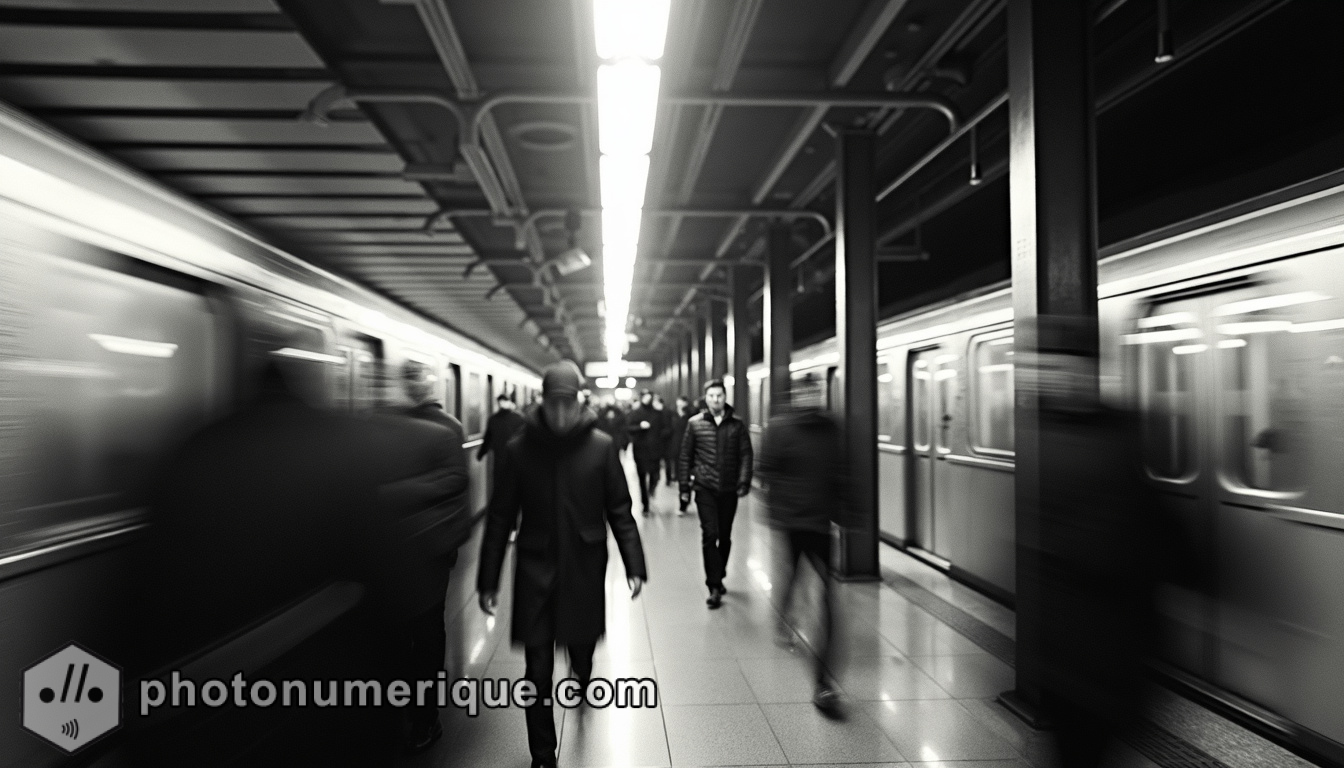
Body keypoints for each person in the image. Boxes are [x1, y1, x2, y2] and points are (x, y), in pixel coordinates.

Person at [476, 361, 647, 768]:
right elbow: (500, 516)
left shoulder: (601, 447)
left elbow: (620, 510)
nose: (559, 412)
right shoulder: (520, 450)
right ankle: (541, 755)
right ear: (542, 402)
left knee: (581, 646)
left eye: (567, 403)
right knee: (537, 669)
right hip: (535, 569)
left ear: (578, 403)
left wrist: (634, 563)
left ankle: (583, 675)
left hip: (584, 567)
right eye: (553, 403)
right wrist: (488, 579)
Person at [389, 359, 471, 753]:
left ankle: (422, 715)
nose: (414, 386)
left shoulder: (443, 428)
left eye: (416, 379)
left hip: (422, 547)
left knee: (420, 630)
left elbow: (455, 484)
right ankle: (420, 713)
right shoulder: (447, 427)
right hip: (427, 546)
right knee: (425, 628)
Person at [757, 374, 847, 718]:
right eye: (804, 391)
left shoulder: (832, 428)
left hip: (822, 524)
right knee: (793, 577)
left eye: (815, 391)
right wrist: (777, 511)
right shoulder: (779, 429)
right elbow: (766, 471)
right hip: (793, 522)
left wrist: (847, 512)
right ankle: (785, 618)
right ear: (796, 395)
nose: (810, 396)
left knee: (827, 597)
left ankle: (824, 682)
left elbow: (843, 471)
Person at [678, 379, 753, 608]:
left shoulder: (737, 426)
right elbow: (685, 456)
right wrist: (684, 487)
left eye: (719, 395)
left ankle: (719, 573)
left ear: (725, 397)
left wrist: (743, 481)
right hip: (705, 487)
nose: (715, 399)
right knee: (710, 534)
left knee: (725, 536)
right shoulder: (694, 424)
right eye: (711, 396)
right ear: (706, 398)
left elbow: (746, 455)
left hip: (729, 488)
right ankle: (713, 585)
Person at [626, 390, 663, 514]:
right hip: (640, 450)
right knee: (642, 478)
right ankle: (645, 504)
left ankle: (651, 490)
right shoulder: (635, 413)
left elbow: (664, 428)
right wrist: (640, 427)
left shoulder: (658, 413)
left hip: (655, 450)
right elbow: (629, 428)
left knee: (655, 475)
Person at [479, 393, 526, 462]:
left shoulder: (493, 419)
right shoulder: (519, 417)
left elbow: (488, 438)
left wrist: (481, 454)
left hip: (499, 456)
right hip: (515, 457)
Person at [666, 395, 693, 493]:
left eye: (683, 401)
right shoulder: (672, 414)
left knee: (686, 468)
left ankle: (685, 490)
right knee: (676, 464)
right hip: (674, 443)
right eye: (680, 401)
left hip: (687, 443)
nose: (681, 403)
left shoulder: (690, 414)